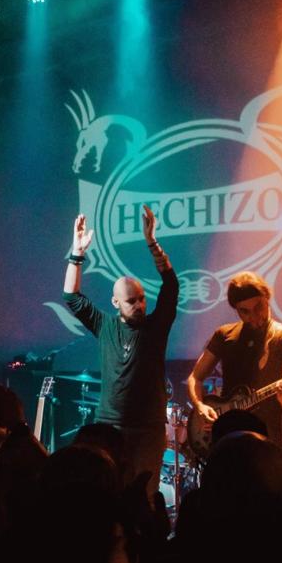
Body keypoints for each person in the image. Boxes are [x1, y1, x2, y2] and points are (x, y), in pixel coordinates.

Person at [63, 206, 178, 494]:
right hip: (109, 428)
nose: (139, 305)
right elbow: (70, 296)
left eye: (141, 299)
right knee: (106, 494)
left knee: (144, 497)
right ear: (116, 304)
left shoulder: (156, 325)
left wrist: (152, 241)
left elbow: (171, 285)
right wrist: (76, 254)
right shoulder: (104, 325)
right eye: (131, 301)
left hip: (149, 429)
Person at [186, 271, 282, 446]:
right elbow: (195, 377)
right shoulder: (224, 334)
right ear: (236, 310)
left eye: (259, 307)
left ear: (267, 299)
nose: (254, 316)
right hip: (226, 437)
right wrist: (200, 406)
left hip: (265, 440)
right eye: (245, 311)